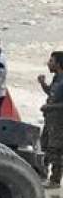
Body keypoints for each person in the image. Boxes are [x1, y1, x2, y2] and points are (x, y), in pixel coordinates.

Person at [39, 51, 63, 189]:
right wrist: (43, 84)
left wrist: (50, 107)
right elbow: (53, 94)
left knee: (56, 149)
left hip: (59, 122)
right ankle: (43, 174)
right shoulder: (57, 78)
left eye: (51, 61)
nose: (49, 63)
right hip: (50, 119)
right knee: (45, 145)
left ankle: (55, 180)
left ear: (58, 64)